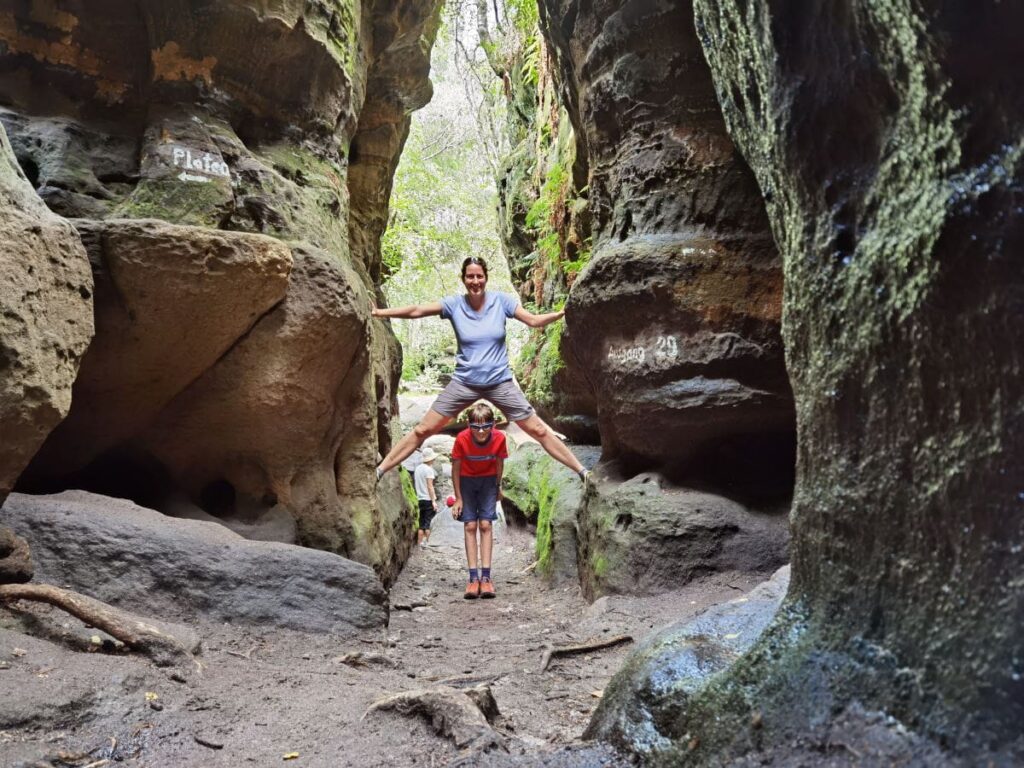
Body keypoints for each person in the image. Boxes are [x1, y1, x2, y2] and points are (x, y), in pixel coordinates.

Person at [371, 255, 589, 483]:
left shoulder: (501, 301)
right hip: (464, 383)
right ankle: (380, 471)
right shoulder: (454, 305)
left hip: (500, 383)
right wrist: (380, 313)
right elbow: (416, 311)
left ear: (486, 277)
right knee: (422, 430)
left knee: (540, 430)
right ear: (464, 279)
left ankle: (582, 472)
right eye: (470, 276)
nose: (475, 281)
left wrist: (560, 314)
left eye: (479, 276)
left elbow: (533, 321)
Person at [451, 403, 505, 599]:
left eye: (485, 426)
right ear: (468, 425)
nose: (481, 431)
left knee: (485, 524)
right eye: (476, 427)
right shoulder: (462, 439)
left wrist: (498, 487)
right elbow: (456, 467)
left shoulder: (499, 438)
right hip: (466, 481)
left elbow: (499, 463)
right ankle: (473, 579)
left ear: (493, 424)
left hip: (488, 481)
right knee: (470, 526)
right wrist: (458, 497)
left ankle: (486, 578)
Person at [413, 447, 439, 548]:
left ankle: (419, 545)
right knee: (428, 523)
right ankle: (427, 544)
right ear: (431, 459)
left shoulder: (418, 469)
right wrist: (433, 501)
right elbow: (430, 486)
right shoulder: (429, 470)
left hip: (419, 498)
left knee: (421, 523)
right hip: (428, 499)